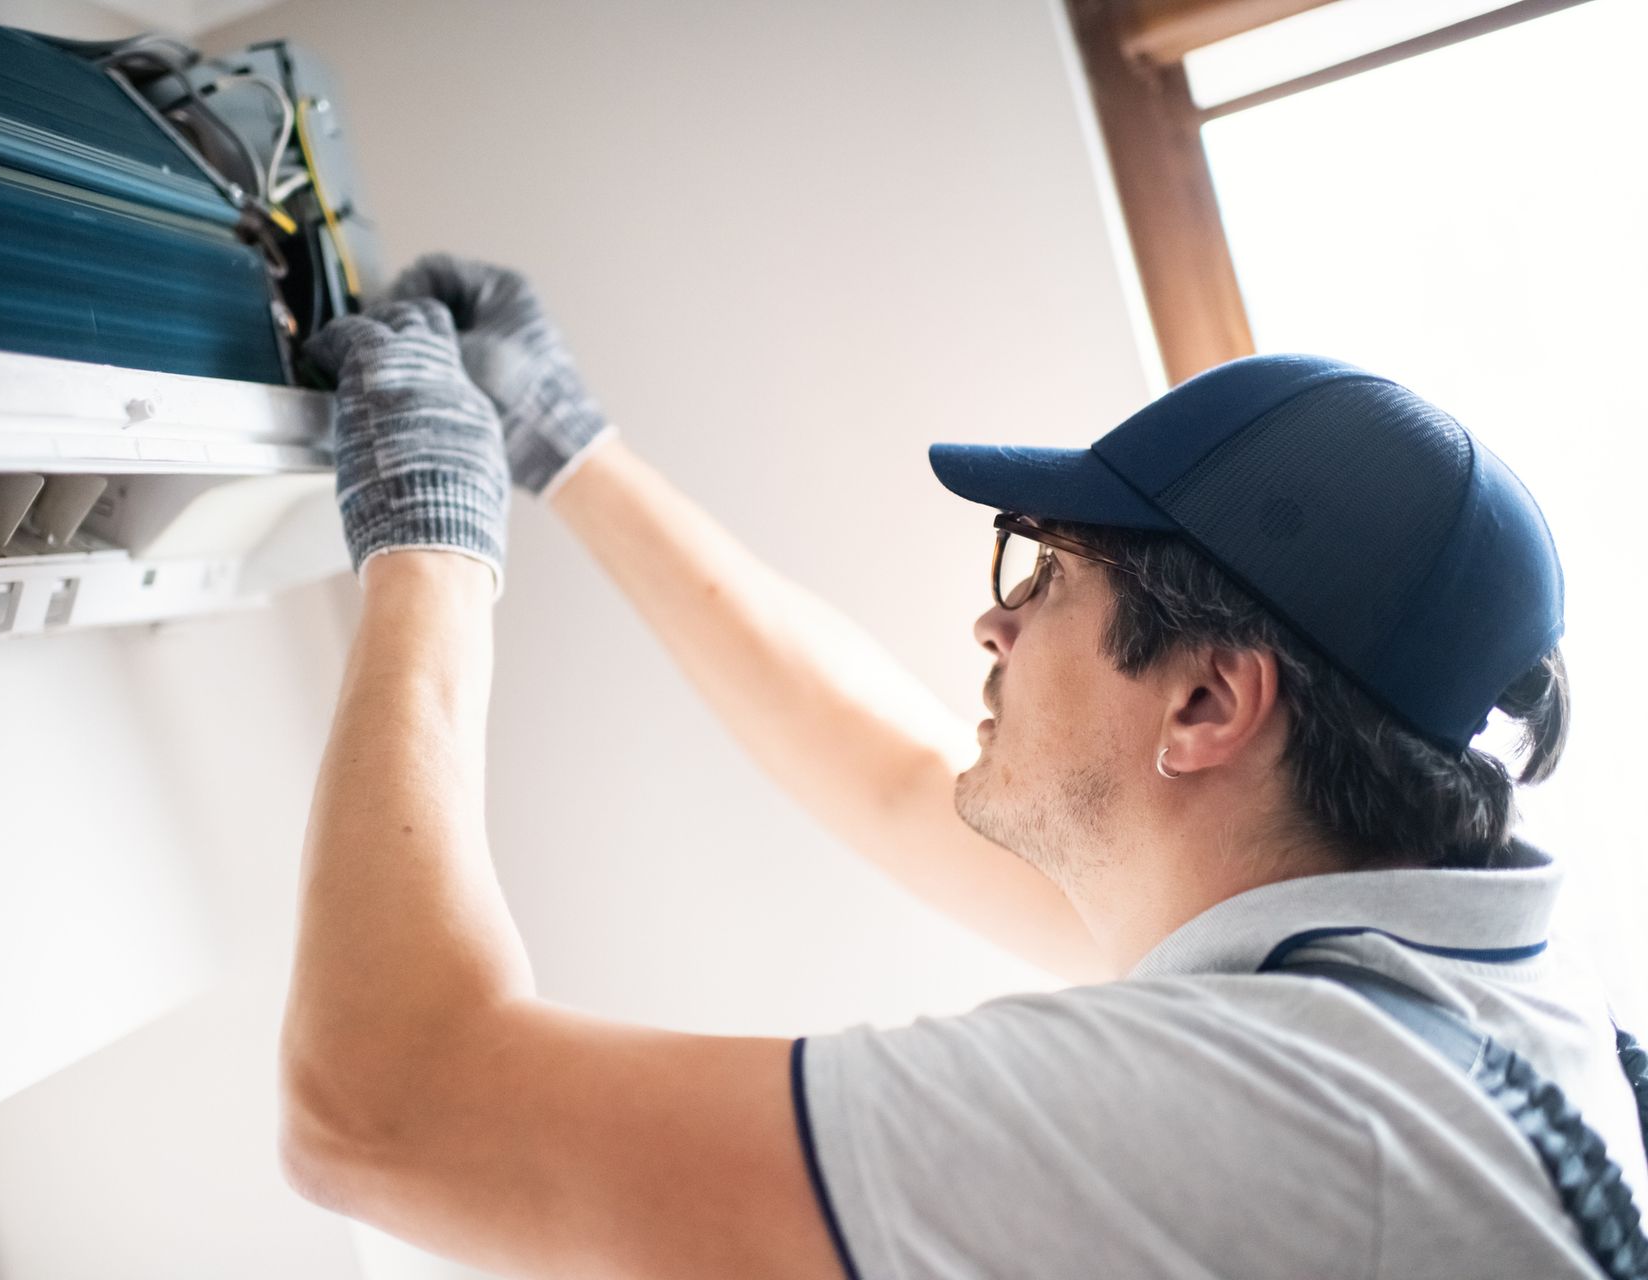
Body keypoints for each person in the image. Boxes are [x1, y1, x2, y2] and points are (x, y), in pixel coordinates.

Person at [276, 254, 1646, 1279]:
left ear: (1209, 700)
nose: (991, 621)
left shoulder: (1281, 1115)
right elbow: (890, 777)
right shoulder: (1448, 988)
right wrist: (573, 454)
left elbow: (382, 1109)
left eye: (1044, 575)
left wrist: (428, 549)